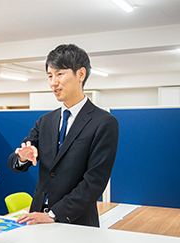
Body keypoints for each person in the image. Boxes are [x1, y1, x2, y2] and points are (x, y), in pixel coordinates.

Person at [8, 44, 119, 227]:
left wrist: (53, 215)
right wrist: (21, 157)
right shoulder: (45, 121)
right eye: (50, 76)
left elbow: (94, 182)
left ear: (81, 74)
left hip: (76, 222)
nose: (53, 82)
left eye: (60, 74)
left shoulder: (104, 122)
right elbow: (15, 163)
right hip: (36, 219)